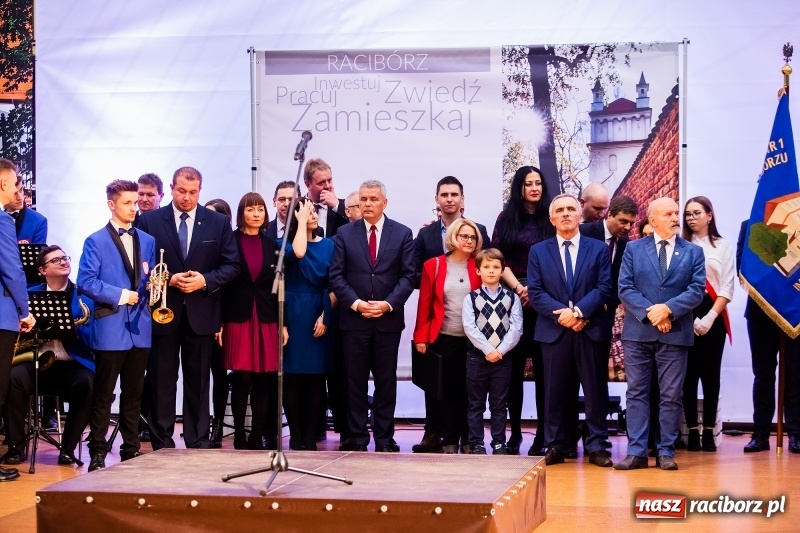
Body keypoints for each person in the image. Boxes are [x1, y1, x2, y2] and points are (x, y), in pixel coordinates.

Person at [137, 166, 240, 450]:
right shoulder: (149, 221)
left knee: (199, 380)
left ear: (200, 191)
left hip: (202, 313)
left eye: (193, 192)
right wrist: (168, 278)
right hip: (162, 313)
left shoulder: (218, 222)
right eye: (181, 191)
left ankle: (198, 440)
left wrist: (204, 281)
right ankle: (161, 441)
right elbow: (141, 265)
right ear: (171, 188)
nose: (186, 197)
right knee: (162, 379)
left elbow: (232, 265)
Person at [615, 197, 705, 471]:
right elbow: (625, 288)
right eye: (668, 214)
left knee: (671, 395)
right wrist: (652, 314)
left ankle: (666, 451)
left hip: (675, 333)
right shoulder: (633, 249)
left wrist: (667, 310)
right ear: (652, 220)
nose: (675, 218)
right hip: (638, 333)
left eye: (676, 213)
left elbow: (696, 290)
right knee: (637, 393)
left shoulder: (693, 252)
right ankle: (637, 452)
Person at [330, 179, 415, 452]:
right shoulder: (345, 233)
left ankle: (384, 439)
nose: (367, 204)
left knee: (385, 382)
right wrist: (356, 304)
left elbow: (408, 276)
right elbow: (336, 276)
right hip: (354, 321)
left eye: (373, 199)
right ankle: (357, 438)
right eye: (363, 199)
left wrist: (388, 304)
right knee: (354, 383)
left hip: (387, 321)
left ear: (384, 203)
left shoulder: (402, 233)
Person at [528, 194, 613, 467]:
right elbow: (536, 292)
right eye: (560, 210)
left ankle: (597, 445)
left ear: (579, 215)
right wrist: (564, 315)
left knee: (595, 391)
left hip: (590, 328)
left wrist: (578, 313)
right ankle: (555, 444)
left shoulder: (598, 249)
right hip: (554, 330)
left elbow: (604, 287)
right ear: (552, 218)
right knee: (554, 390)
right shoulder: (538, 251)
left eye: (570, 209)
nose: (565, 214)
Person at [77, 180, 156, 471]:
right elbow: (86, 282)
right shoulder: (95, 241)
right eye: (127, 203)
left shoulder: (147, 240)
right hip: (110, 328)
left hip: (140, 328)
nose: (134, 208)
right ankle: (97, 451)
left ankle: (130, 449)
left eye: (135, 202)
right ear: (112, 204)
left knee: (134, 394)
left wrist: (155, 286)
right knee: (104, 394)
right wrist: (122, 295)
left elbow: (147, 278)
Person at [411, 176, 490, 453]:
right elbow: (422, 291)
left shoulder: (479, 246)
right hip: (441, 332)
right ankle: (436, 435)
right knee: (437, 388)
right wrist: (421, 335)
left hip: (473, 336)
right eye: (444, 194)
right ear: (436, 199)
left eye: (454, 194)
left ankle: (469, 440)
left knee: (468, 390)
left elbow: (492, 272)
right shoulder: (426, 238)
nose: (449, 199)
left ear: (462, 199)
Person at [4, 245, 95, 466]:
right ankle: (16, 447)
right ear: (42, 270)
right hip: (37, 360)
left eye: (65, 258)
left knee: (87, 383)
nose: (63, 262)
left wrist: (73, 330)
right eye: (56, 260)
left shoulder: (84, 295)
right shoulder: (29, 294)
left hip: (72, 362)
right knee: (12, 378)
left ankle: (68, 449)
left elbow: (94, 335)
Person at [491, 165, 554, 456]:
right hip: (512, 298)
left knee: (544, 371)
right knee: (512, 372)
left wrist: (536, 291)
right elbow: (497, 259)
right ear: (519, 188)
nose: (534, 188)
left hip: (545, 301)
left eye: (538, 183)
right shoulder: (506, 218)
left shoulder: (550, 218)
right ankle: (514, 433)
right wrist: (520, 288)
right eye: (528, 183)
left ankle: (542, 435)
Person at [575, 195, 639, 452]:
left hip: (601, 319)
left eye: (631, 223)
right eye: (623, 221)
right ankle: (567, 438)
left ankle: (596, 440)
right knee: (568, 381)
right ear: (609, 214)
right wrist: (580, 308)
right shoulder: (583, 232)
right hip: (571, 317)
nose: (627, 227)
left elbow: (621, 284)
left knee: (596, 383)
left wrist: (601, 304)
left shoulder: (627, 246)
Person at [221, 193, 282, 450]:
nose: (256, 214)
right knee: (242, 376)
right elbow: (222, 285)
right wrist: (219, 322)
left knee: (264, 377)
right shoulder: (230, 241)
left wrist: (284, 324)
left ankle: (257, 435)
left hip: (267, 316)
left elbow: (279, 288)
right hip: (237, 315)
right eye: (250, 209)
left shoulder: (272, 244)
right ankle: (239, 435)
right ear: (241, 213)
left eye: (260, 209)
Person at [737, 220, 800, 453]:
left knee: (795, 374)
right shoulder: (751, 225)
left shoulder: (798, 222)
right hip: (760, 310)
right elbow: (742, 267)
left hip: (795, 309)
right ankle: (761, 433)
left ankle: (796, 433)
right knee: (763, 374)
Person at [681, 196, 735, 452]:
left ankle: (710, 431)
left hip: (714, 313)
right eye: (688, 214)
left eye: (697, 213)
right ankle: (692, 430)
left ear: (709, 215)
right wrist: (690, 318)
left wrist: (711, 317)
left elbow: (727, 286)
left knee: (711, 375)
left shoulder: (723, 245)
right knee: (688, 375)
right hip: (685, 314)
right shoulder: (681, 245)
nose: (691, 218)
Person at [281, 199, 336, 450]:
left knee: (316, 378)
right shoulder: (283, 244)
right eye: (305, 212)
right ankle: (295, 434)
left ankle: (311, 434)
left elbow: (335, 283)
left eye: (313, 211)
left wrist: (326, 315)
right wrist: (301, 223)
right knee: (292, 377)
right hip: (292, 311)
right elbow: (299, 252)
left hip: (319, 308)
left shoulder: (329, 245)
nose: (312, 215)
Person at [462, 248, 523, 454]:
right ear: (478, 270)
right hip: (477, 358)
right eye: (486, 267)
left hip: (502, 359)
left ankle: (499, 443)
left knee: (499, 404)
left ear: (502, 271)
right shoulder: (471, 298)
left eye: (496, 267)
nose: (491, 271)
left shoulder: (512, 298)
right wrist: (488, 349)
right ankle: (476, 443)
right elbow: (470, 327)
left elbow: (516, 328)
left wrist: (500, 350)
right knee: (475, 404)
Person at [0, 158, 36, 482]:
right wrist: (25, 311)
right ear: (3, 184)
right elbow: (12, 269)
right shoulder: (2, 220)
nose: (17, 190)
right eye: (15, 184)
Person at [204, 198, 236, 449]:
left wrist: (221, 320)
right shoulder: (203, 244)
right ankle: (202, 424)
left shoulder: (229, 243)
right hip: (205, 315)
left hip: (225, 317)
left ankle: (217, 425)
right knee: (202, 374)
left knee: (220, 374)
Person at [304, 158, 348, 238]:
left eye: (329, 180)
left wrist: (337, 206)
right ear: (308, 185)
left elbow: (355, 227)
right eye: (321, 183)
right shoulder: (297, 207)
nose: (328, 186)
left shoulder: (345, 206)